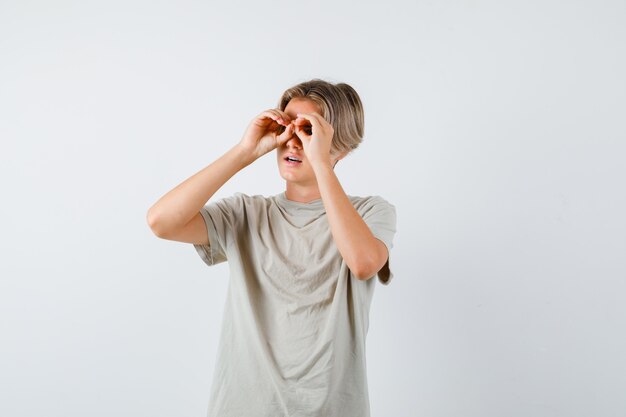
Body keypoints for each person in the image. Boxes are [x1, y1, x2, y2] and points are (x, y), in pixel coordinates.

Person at [147, 78, 397, 417]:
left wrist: (322, 162)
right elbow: (161, 221)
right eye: (287, 126)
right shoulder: (246, 214)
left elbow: (364, 263)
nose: (293, 143)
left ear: (342, 147)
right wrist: (244, 152)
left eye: (308, 131)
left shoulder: (370, 212)